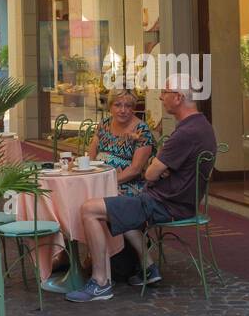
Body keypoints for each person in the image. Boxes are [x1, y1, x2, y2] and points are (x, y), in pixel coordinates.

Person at [67, 75, 218, 302]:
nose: (160, 96)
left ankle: (100, 282)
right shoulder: (201, 125)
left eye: (165, 92)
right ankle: (146, 267)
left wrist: (158, 168)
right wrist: (160, 167)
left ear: (178, 97)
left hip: (165, 203)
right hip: (172, 199)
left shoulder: (185, 132)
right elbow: (158, 169)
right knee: (116, 202)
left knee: (89, 209)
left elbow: (147, 173)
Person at [88, 90, 155, 196]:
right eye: (117, 105)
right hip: (98, 180)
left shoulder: (141, 130)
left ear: (133, 108)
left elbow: (135, 170)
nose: (123, 110)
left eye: (128, 106)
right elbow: (91, 155)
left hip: (128, 186)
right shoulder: (104, 124)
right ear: (110, 107)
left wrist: (107, 183)